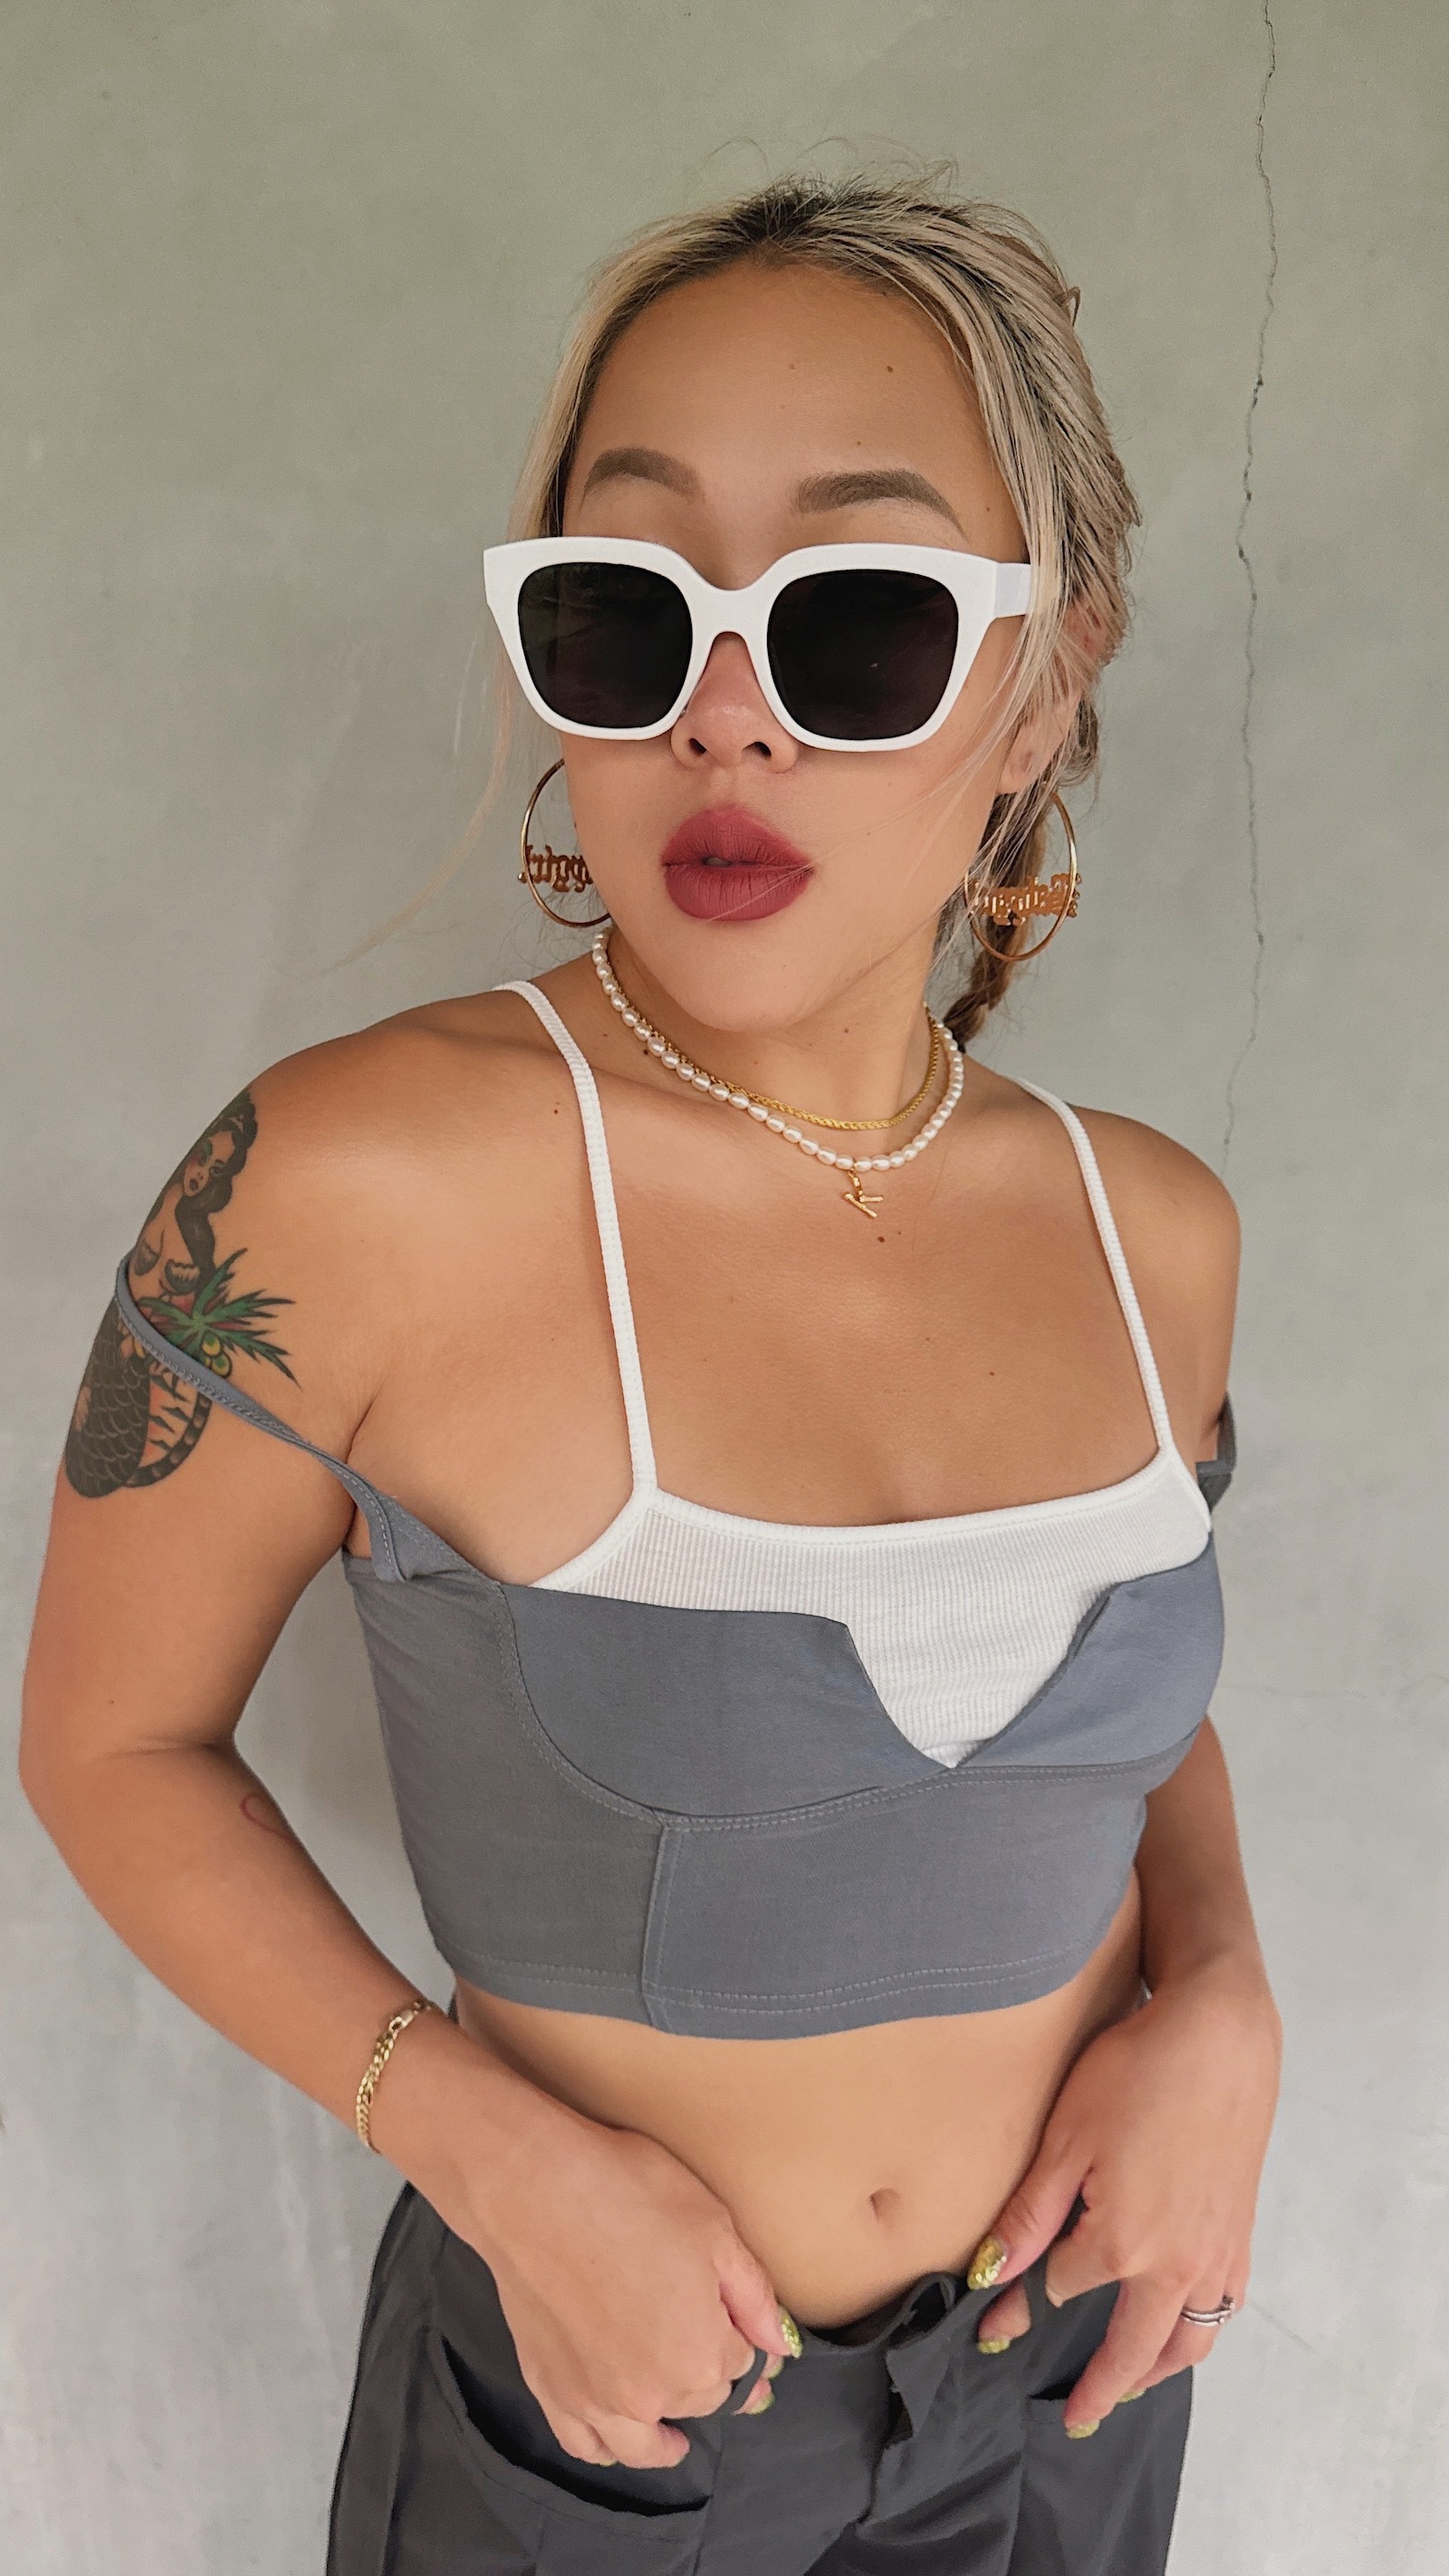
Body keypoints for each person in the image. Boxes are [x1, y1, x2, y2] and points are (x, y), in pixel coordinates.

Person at [22, 172, 1282, 2574]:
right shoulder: (341, 1184)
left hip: (1078, 2377)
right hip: (608, 2421)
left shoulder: (1155, 1233)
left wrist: (1226, 1997)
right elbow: (108, 1745)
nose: (723, 712)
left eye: (856, 620)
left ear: (1046, 677)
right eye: (626, 609)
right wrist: (487, 2154)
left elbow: (1117, 1705)